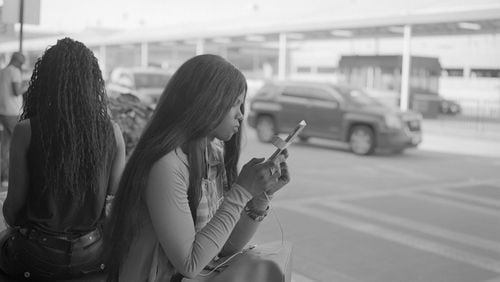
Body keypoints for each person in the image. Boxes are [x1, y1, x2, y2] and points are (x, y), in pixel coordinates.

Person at [104, 54, 290, 281]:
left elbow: (223, 248)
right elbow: (190, 264)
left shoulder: (212, 152)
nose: (241, 115)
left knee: (265, 269)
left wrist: (259, 198)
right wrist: (241, 192)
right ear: (208, 103)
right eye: (235, 104)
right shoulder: (166, 165)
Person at [0, 38, 126, 280]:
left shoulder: (26, 131)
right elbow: (115, 194)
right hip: (93, 254)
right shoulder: (113, 132)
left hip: (35, 255)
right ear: (93, 83)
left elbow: (13, 210)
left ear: (45, 82)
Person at [0, 52, 25, 187]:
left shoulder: (2, 71)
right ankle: (15, 178)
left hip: (2, 112)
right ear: (17, 62)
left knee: (5, 145)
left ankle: (4, 178)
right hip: (13, 113)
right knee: (18, 145)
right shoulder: (14, 71)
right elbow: (17, 91)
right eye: (21, 63)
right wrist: (27, 84)